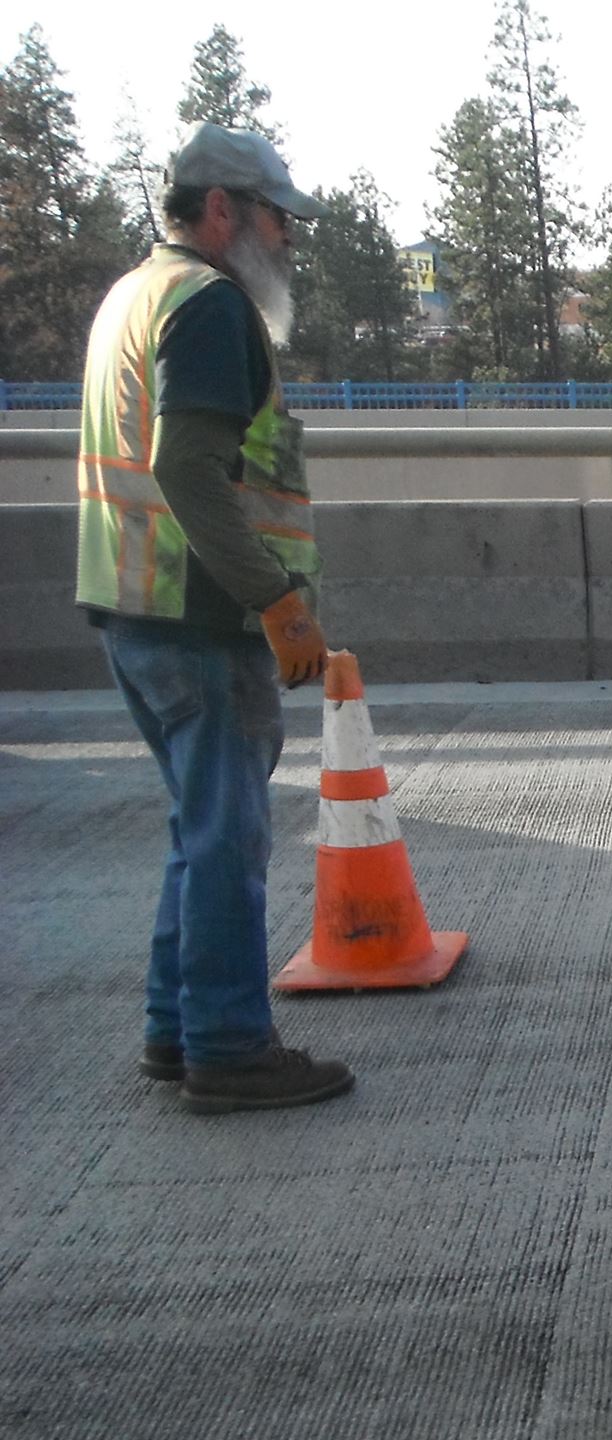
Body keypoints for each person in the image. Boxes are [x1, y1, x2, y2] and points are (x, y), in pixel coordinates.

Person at [76, 124, 352, 1113]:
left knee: (199, 830)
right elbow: (187, 468)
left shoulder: (134, 294)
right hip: (199, 615)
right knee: (229, 839)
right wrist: (274, 600)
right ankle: (229, 1048)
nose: (289, 240)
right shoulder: (209, 306)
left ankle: (176, 1029)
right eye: (279, 218)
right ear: (224, 209)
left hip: (132, 605)